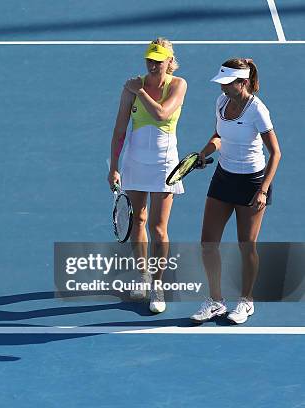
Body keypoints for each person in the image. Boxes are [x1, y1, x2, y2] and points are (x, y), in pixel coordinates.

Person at [190, 58, 281, 324]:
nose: (222, 89)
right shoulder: (221, 102)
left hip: (252, 182)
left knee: (246, 245)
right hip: (223, 177)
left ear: (242, 83)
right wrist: (203, 153)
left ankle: (246, 300)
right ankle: (216, 301)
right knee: (208, 243)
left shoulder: (258, 110)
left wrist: (263, 190)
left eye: (227, 84)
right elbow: (218, 136)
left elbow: (275, 153)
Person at [108, 38, 187, 313]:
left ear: (169, 61)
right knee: (138, 220)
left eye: (158, 60)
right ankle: (142, 275)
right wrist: (113, 166)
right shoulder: (131, 87)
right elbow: (120, 129)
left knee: (158, 227)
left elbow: (163, 114)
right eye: (149, 60)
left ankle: (158, 284)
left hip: (165, 164)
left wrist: (140, 92)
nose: (153, 65)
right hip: (135, 162)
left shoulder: (178, 85)